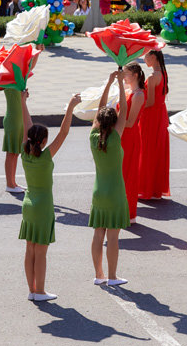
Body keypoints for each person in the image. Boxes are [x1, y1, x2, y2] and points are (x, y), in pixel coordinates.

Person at [19, 91, 81, 302]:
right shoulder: (45, 156)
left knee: (29, 250)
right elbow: (63, 133)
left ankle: (31, 289)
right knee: (41, 252)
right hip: (43, 206)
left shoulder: (24, 151)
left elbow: (26, 125)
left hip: (28, 204)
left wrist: (22, 102)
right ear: (44, 141)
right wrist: (70, 108)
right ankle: (41, 291)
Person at [89, 70, 130, 286]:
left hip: (98, 192)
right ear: (114, 122)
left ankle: (98, 275)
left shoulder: (93, 136)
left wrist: (110, 82)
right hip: (115, 192)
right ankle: (112, 277)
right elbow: (124, 108)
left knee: (98, 235)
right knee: (113, 238)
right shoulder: (116, 136)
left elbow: (100, 109)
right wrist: (121, 85)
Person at [138, 49, 170, 200]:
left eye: (145, 56)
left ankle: (146, 188)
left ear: (153, 57)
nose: (144, 59)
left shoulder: (152, 77)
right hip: (160, 113)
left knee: (146, 150)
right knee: (157, 150)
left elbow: (149, 102)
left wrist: (135, 105)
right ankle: (156, 187)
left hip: (150, 116)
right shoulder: (163, 73)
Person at [120, 63, 146, 222]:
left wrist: (112, 121)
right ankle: (119, 208)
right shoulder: (128, 91)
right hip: (121, 135)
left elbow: (130, 122)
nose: (123, 76)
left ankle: (128, 213)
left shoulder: (139, 94)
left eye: (126, 74)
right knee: (120, 173)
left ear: (135, 75)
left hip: (130, 136)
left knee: (128, 173)